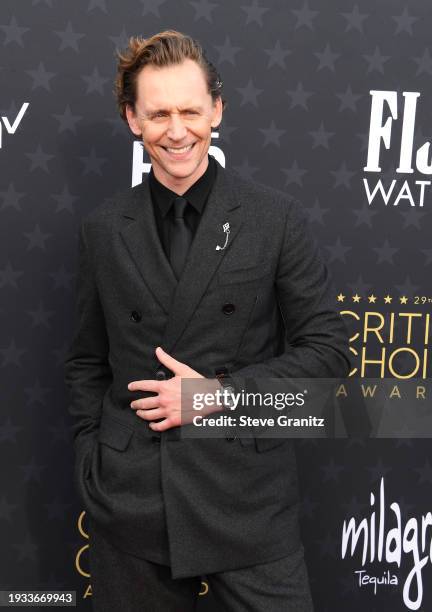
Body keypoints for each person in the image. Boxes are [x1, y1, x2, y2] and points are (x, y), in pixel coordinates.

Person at [64, 29, 350, 612]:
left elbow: (330, 351)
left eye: (191, 110)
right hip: (132, 498)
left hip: (244, 495)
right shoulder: (103, 229)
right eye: (158, 113)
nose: (177, 130)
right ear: (131, 119)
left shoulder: (275, 219)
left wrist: (214, 396)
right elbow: (86, 362)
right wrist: (92, 459)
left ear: (217, 110)